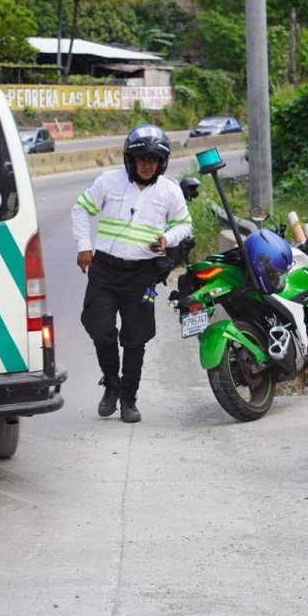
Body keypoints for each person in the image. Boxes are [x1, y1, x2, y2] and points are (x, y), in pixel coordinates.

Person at [72, 125, 192, 423]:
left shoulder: (169, 190)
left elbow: (184, 224)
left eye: (154, 160)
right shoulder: (109, 181)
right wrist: (84, 247)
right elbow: (80, 209)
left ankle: (129, 398)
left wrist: (169, 238)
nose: (147, 165)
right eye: (142, 159)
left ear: (162, 162)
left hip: (142, 274)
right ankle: (111, 383)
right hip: (105, 270)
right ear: (130, 160)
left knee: (135, 338)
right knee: (100, 328)